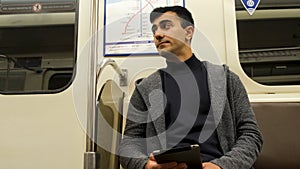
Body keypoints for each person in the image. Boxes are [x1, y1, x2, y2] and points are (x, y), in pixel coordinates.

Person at [118, 5, 263, 169]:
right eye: (154, 30)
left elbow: (251, 134)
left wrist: (222, 166)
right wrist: (146, 165)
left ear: (188, 32)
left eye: (166, 26)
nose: (158, 34)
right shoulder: (145, 88)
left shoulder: (226, 79)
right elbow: (129, 143)